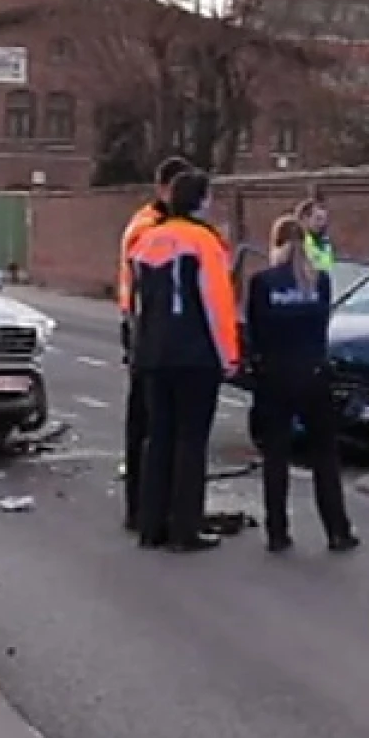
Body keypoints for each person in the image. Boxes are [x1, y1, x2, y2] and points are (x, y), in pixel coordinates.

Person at [128, 170, 240, 553]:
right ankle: (184, 529)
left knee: (158, 437)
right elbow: (216, 305)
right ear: (202, 200)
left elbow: (137, 304)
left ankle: (150, 525)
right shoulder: (205, 242)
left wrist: (139, 349)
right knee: (191, 442)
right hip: (194, 356)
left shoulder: (146, 241)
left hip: (153, 355)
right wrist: (229, 356)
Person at [245, 214, 358, 554]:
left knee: (276, 456)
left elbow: (254, 333)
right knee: (325, 456)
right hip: (313, 374)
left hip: (275, 377)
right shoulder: (319, 282)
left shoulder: (262, 283)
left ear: (275, 244)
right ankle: (337, 530)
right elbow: (322, 329)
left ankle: (277, 532)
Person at [116, 156, 192, 532]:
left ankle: (151, 507)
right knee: (146, 426)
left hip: (147, 326)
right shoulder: (149, 226)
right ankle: (142, 508)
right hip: (144, 327)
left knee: (152, 425)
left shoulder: (152, 224)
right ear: (165, 188)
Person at [295, 198, 335, 273]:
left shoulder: (324, 242)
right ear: (305, 218)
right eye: (318, 219)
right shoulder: (295, 242)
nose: (322, 224)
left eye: (324, 220)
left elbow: (328, 268)